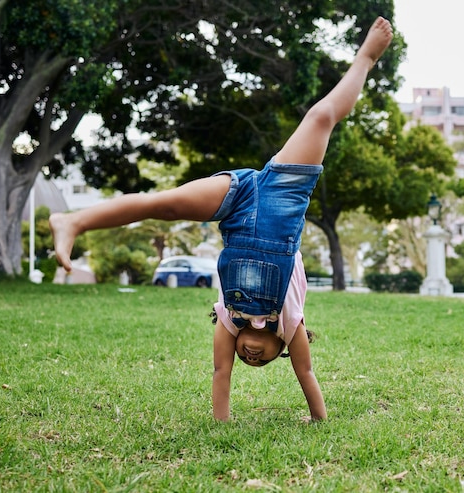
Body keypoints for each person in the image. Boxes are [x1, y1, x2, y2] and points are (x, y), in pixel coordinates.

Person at [50, 16, 393, 422]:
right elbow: (306, 372)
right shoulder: (290, 321)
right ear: (281, 347)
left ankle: (72, 220)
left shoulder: (228, 319)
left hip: (235, 203)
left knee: (166, 204)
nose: (252, 357)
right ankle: (366, 59)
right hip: (282, 195)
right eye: (263, 359)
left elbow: (219, 374)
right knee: (321, 117)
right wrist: (319, 418)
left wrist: (222, 424)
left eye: (250, 362)